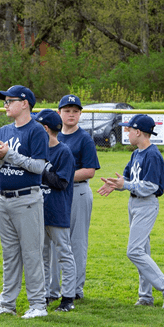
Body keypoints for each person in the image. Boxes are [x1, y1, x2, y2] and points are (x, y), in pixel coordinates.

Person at [97, 114, 164, 309]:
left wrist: (125, 184)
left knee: (134, 250)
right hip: (134, 203)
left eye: (128, 129)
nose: (126, 132)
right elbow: (127, 179)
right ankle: (145, 297)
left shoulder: (152, 154)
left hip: (146, 204)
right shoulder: (136, 153)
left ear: (138, 132)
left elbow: (151, 186)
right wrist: (116, 185)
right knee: (142, 250)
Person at [0, 85, 50, 319]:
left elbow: (38, 167)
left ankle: (38, 305)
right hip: (4, 199)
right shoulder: (3, 130)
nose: (6, 105)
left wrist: (9, 155)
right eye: (5, 101)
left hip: (28, 198)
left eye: (10, 101)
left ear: (25, 104)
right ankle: (7, 304)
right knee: (9, 254)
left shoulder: (36, 131)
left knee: (32, 253)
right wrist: (0, 158)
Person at [56, 95, 99, 301]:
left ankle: (74, 289)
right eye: (67, 110)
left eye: (75, 111)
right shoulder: (54, 136)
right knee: (57, 241)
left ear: (80, 114)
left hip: (78, 191)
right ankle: (54, 288)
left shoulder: (84, 138)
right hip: (56, 192)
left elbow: (90, 171)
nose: (71, 114)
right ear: (59, 113)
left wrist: (60, 176)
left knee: (77, 242)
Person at [35, 109, 76, 312]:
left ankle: (68, 298)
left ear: (45, 129)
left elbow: (61, 182)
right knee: (41, 255)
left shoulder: (63, 152)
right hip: (38, 211)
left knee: (64, 254)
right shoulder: (37, 150)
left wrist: (41, 168)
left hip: (57, 211)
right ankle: (43, 295)